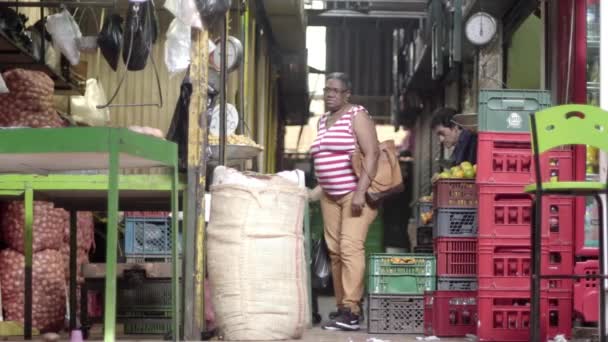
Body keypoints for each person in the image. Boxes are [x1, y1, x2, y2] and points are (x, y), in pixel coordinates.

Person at [308, 72, 380, 331]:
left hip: (354, 195)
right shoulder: (323, 120)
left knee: (350, 248)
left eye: (336, 90)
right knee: (336, 253)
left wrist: (361, 192)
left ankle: (352, 308)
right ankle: (342, 309)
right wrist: (313, 193)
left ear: (347, 94)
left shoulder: (357, 115)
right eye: (327, 89)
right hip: (329, 196)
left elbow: (372, 154)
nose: (329, 94)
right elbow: (327, 162)